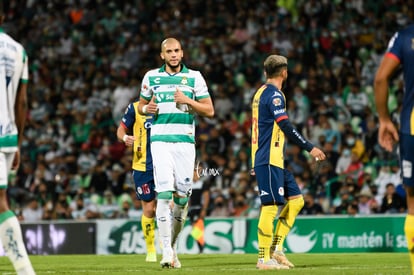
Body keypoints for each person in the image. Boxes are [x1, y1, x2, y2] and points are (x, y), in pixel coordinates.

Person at [138, 37, 214, 268]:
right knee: (163, 194)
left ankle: (173, 246)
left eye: (177, 50)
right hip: (159, 142)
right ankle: (166, 253)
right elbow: (140, 106)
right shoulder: (151, 76)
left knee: (182, 200)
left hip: (185, 144)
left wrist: (187, 100)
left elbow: (209, 110)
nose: (173, 54)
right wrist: (145, 108)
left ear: (182, 53)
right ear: (162, 55)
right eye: (169, 51)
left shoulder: (194, 77)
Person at [251, 54, 326, 270]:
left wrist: (253, 158)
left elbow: (255, 130)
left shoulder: (259, 93)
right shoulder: (275, 95)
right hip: (268, 158)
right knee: (270, 206)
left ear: (266, 72)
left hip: (269, 158)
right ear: (285, 72)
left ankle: (277, 249)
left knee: (296, 200)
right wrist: (310, 147)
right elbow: (285, 125)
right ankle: (263, 259)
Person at [374, 23, 414, 273]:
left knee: (413, 204)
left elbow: (380, 78)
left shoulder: (405, 36)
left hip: (412, 124)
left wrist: (384, 119)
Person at [0, 3, 36, 274]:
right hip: (7, 135)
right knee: (2, 202)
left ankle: (25, 271)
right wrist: (19, 142)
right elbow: (22, 102)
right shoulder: (18, 50)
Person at [117, 99, 157, 262]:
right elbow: (120, 129)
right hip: (142, 166)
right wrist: (125, 137)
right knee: (149, 209)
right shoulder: (134, 108)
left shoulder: (166, 104)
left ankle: (169, 247)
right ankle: (151, 250)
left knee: (167, 205)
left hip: (164, 164)